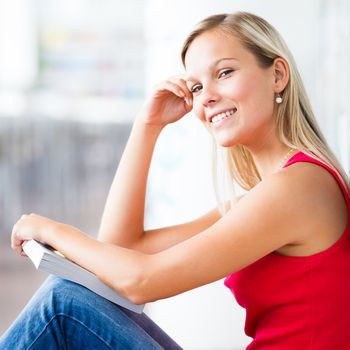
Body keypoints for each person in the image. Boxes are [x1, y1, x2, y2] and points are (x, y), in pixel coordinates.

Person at [1, 11, 349, 350]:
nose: (207, 96)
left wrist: (52, 230)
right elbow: (119, 250)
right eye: (197, 87)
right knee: (68, 294)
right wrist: (147, 126)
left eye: (224, 72)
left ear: (277, 75)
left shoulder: (298, 187)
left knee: (62, 304)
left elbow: (142, 281)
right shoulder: (266, 196)